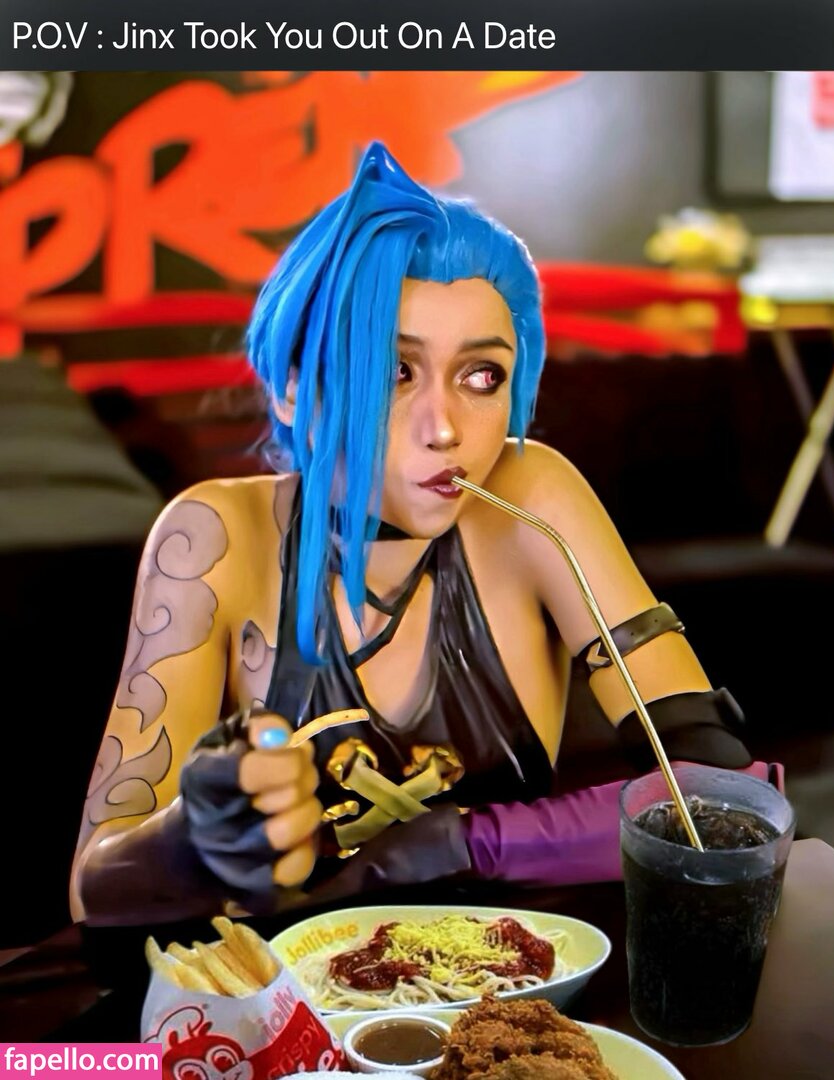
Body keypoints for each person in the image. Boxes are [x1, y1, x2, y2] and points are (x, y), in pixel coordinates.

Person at [70, 142, 779, 927]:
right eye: (393, 372)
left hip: (515, 977)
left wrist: (448, 844)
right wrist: (189, 840)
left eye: (482, 377)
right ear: (294, 389)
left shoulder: (530, 496)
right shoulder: (212, 538)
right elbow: (94, 885)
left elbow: (728, 797)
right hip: (287, 992)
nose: (445, 429)